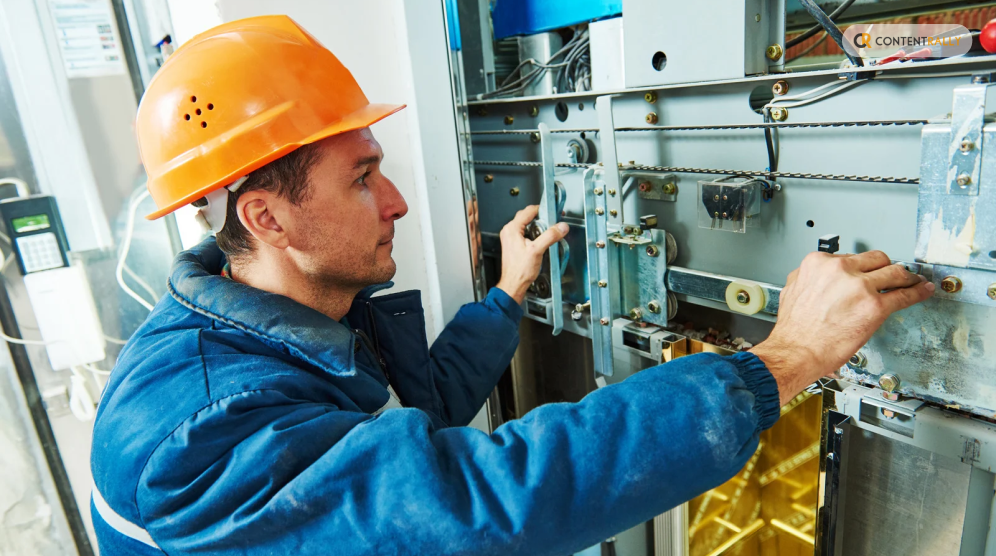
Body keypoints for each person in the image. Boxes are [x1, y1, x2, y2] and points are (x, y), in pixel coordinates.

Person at [90, 15, 934, 556]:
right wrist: (787, 356)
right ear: (268, 219)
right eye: (361, 179)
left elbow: (413, 421)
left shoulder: (293, 320)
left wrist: (506, 295)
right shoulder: (197, 439)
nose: (398, 202)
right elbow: (482, 501)